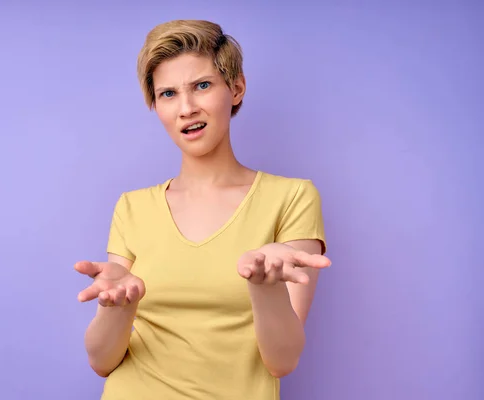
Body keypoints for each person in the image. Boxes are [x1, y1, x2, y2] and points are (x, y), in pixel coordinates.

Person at [74, 19, 331, 400]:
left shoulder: (292, 198)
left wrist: (266, 288)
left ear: (237, 88)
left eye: (203, 86)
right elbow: (102, 363)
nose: (187, 108)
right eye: (168, 94)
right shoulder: (132, 207)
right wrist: (117, 309)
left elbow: (282, 362)